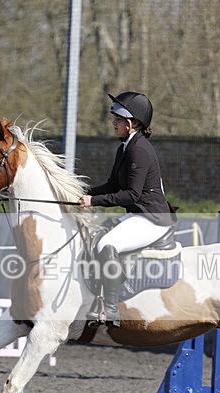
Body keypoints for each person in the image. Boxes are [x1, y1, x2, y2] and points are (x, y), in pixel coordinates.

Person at [78, 91, 175, 327]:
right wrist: (82, 193)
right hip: (138, 214)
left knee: (106, 245)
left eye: (118, 120)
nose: (114, 123)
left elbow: (130, 194)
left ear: (132, 123)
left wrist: (93, 202)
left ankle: (110, 309)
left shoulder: (139, 150)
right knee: (94, 237)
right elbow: (113, 185)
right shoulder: (125, 148)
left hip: (152, 218)